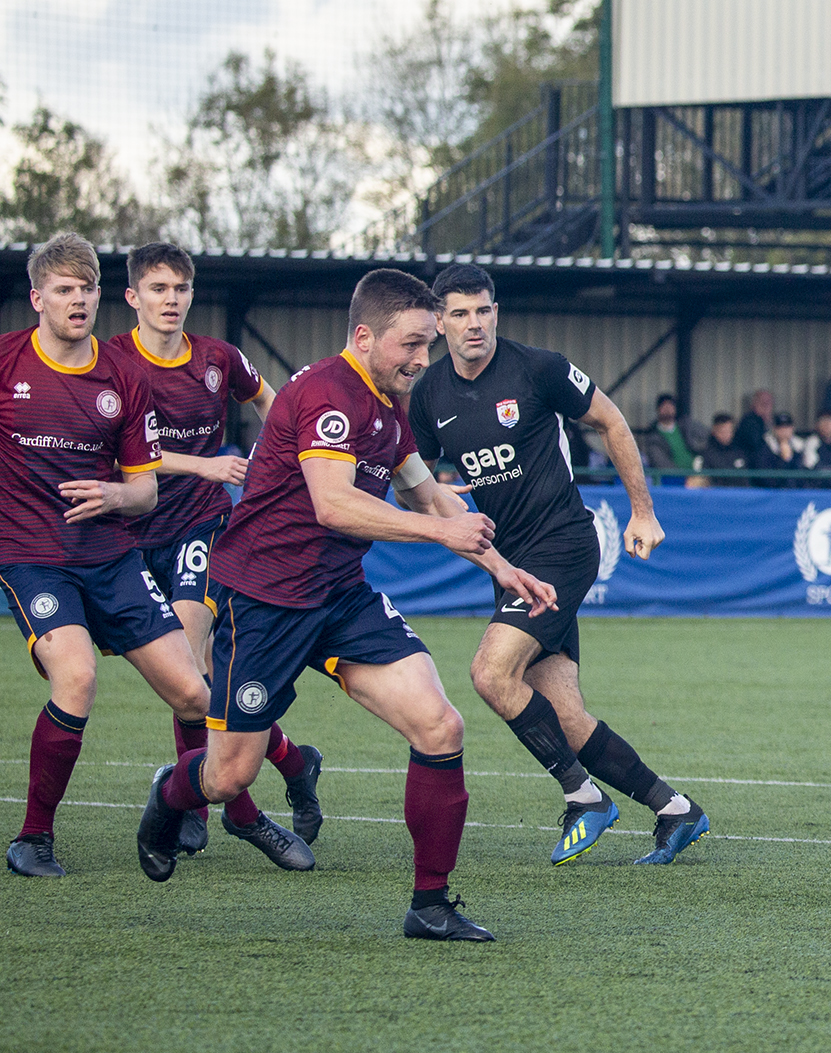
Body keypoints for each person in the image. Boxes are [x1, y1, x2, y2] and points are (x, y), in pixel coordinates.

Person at [134, 268, 556, 942]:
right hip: (264, 603)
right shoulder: (329, 393)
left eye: (428, 346)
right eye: (412, 344)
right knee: (227, 773)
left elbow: (430, 495)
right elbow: (333, 502)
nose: (424, 359)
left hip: (339, 597)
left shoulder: (391, 403)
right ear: (364, 337)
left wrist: (505, 568)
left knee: (440, 726)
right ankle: (170, 792)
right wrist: (442, 529)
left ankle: (430, 904)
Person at [0, 233, 298, 879]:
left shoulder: (120, 378)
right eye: (63, 290)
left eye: (85, 290)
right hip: (32, 556)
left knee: (194, 693)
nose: (77, 301)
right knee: (76, 677)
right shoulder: (8, 362)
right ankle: (33, 837)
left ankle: (224, 810)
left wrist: (114, 491)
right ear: (38, 298)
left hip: (112, 555)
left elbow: (142, 491)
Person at [410, 264, 708, 868]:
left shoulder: (537, 368)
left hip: (565, 546)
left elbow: (611, 420)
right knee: (564, 718)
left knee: (491, 675)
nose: (475, 324)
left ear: (498, 312)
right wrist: (437, 501)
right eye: (461, 313)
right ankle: (676, 810)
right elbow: (413, 478)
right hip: (511, 563)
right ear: (438, 322)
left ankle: (583, 797)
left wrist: (642, 512)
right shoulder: (428, 394)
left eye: (484, 310)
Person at [109, 242, 326, 856]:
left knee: (191, 665)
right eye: (158, 289)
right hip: (130, 533)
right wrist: (204, 464)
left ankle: (211, 811)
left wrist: (282, 451)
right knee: (192, 683)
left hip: (201, 527)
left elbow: (270, 401)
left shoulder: (218, 358)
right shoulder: (112, 363)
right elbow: (115, 452)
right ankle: (291, 761)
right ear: (133, 298)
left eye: (180, 288)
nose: (171, 299)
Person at [640, 393, 703, 473]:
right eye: (664, 406)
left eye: (670, 406)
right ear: (658, 409)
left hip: (697, 476)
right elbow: (661, 463)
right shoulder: (653, 436)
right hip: (671, 480)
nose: (668, 409)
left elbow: (707, 439)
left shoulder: (687, 426)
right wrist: (682, 477)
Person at [753, 411, 806, 486]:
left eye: (787, 427)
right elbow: (768, 480)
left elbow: (803, 478)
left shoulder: (800, 447)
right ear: (774, 429)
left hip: (796, 494)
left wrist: (789, 458)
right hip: (771, 494)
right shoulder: (763, 447)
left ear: (792, 428)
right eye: (780, 427)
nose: (784, 431)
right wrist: (784, 460)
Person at [698, 413, 751, 485]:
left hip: (740, 494)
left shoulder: (739, 451)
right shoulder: (707, 454)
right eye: (723, 431)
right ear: (714, 430)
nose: (727, 435)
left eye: (729, 431)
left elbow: (746, 479)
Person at [738, 389, 775, 457]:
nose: (766, 406)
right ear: (754, 404)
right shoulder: (748, 422)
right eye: (762, 403)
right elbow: (756, 445)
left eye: (768, 403)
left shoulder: (774, 421)